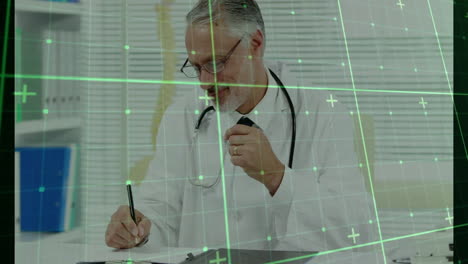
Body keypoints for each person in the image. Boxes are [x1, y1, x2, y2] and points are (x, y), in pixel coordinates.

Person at [105, 0, 379, 253]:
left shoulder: (322, 114)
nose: (204, 82)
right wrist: (137, 228)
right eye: (197, 67)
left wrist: (277, 176)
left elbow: (355, 229)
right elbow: (160, 208)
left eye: (216, 63)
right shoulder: (182, 116)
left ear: (255, 43)